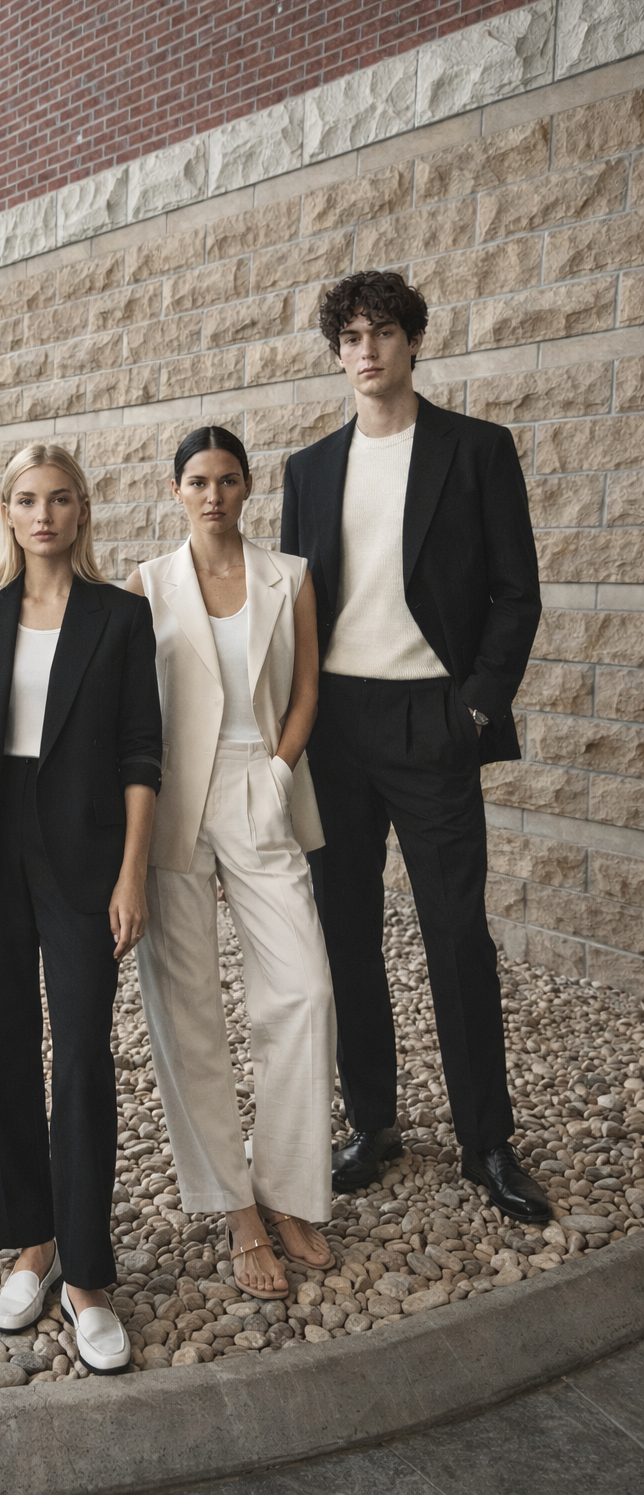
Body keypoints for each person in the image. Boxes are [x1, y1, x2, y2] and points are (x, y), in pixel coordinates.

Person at [281, 270, 549, 1223]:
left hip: (433, 720)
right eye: (351, 337)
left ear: (413, 341)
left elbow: (517, 593)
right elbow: (294, 606)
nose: (368, 351)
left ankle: (486, 1142)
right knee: (347, 932)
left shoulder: (476, 450)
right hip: (336, 727)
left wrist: (474, 708)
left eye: (383, 333)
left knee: (456, 934)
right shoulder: (309, 469)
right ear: (337, 353)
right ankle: (373, 1122)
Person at [0, 443, 162, 1375]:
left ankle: (88, 1275)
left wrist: (132, 873)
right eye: (27, 499)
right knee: (2, 1048)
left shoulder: (120, 616)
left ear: (82, 510)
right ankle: (33, 1244)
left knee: (84, 1051)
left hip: (84, 854)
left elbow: (141, 750)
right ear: (8, 513)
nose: (44, 515)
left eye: (60, 499)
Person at [127, 427, 337, 1301]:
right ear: (176, 490)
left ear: (249, 487)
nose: (212, 495)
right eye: (197, 481)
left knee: (305, 989)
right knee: (188, 1009)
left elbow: (307, 689)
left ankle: (288, 1188)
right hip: (174, 792)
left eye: (226, 479)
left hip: (261, 782)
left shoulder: (289, 576)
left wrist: (279, 771)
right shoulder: (146, 584)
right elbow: (132, 707)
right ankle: (235, 1207)